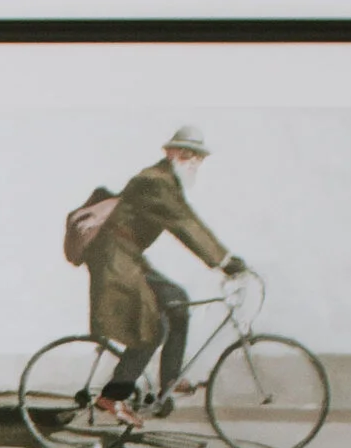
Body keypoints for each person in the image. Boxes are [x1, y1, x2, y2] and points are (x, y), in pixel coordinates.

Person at [85, 126, 246, 424]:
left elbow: (186, 219)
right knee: (151, 325)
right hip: (114, 258)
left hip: (127, 255)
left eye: (198, 156)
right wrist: (224, 261)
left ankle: (169, 381)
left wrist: (223, 259)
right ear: (172, 153)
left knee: (177, 302)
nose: (194, 161)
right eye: (188, 154)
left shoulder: (166, 181)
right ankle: (114, 395)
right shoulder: (154, 182)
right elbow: (184, 224)